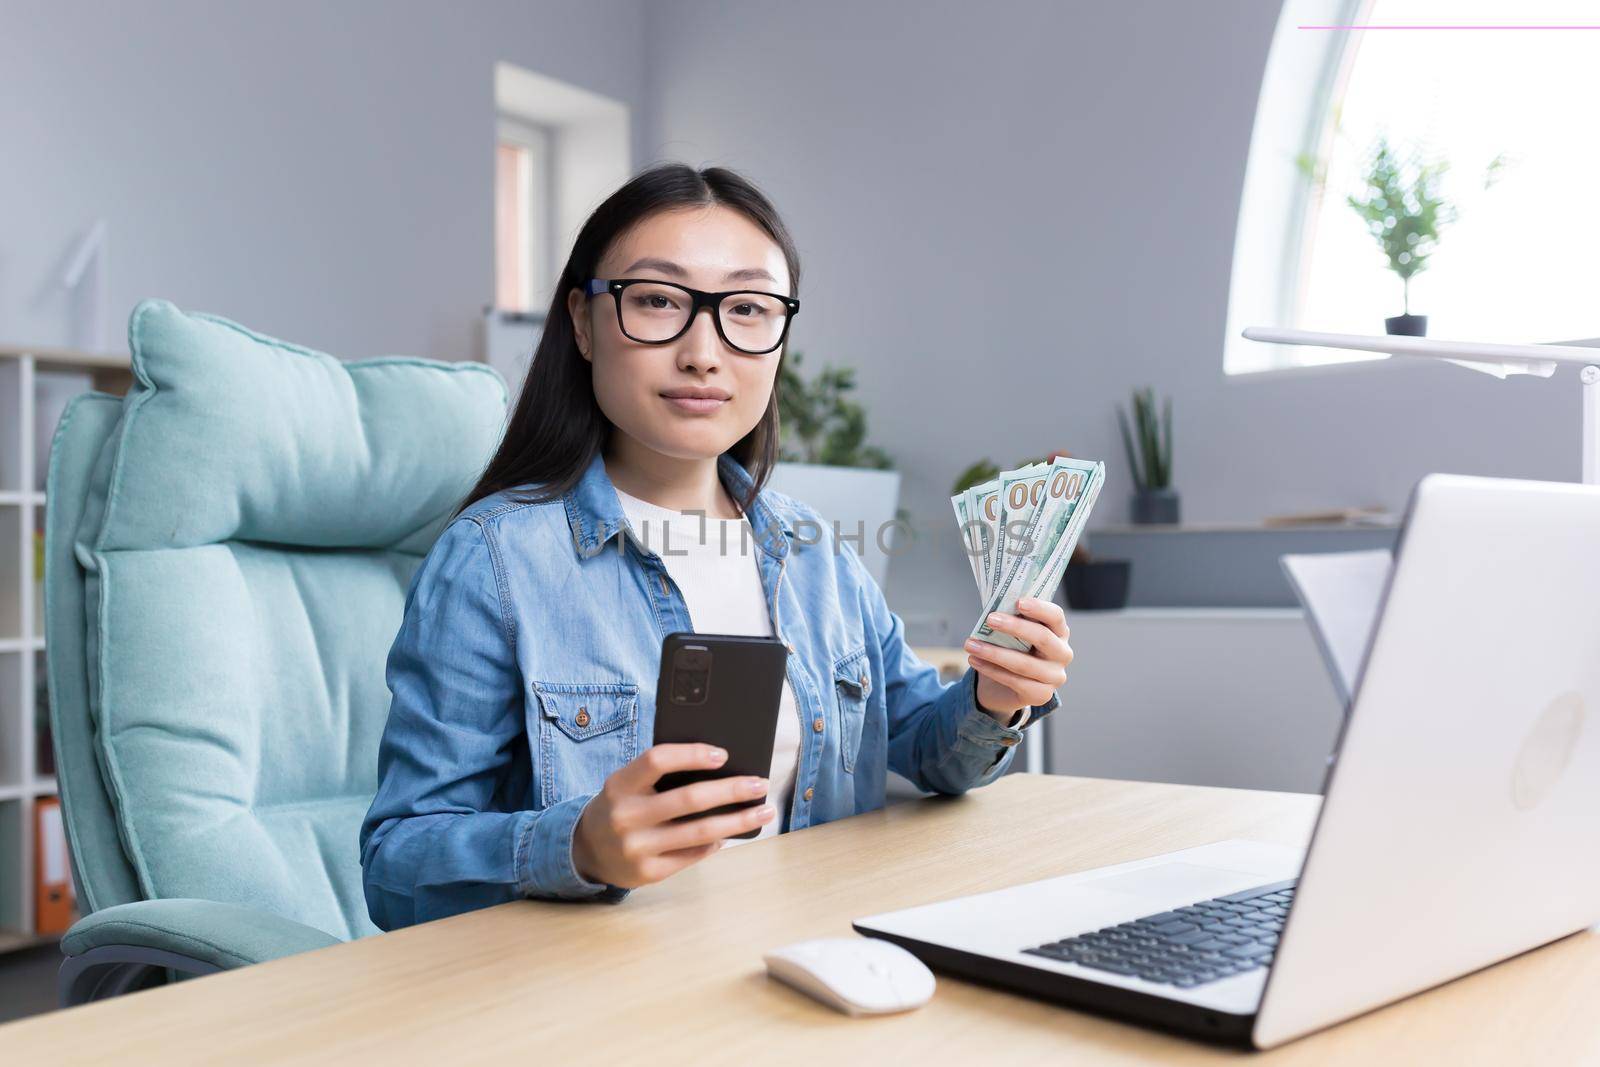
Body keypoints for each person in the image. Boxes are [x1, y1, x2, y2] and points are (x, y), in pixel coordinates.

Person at [359, 163, 1073, 930]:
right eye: (659, 300)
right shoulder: (497, 560)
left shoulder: (814, 551)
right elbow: (398, 863)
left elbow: (928, 748)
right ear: (582, 321)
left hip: (816, 960)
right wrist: (578, 844)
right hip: (606, 1003)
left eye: (747, 309)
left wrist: (995, 697)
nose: (705, 352)